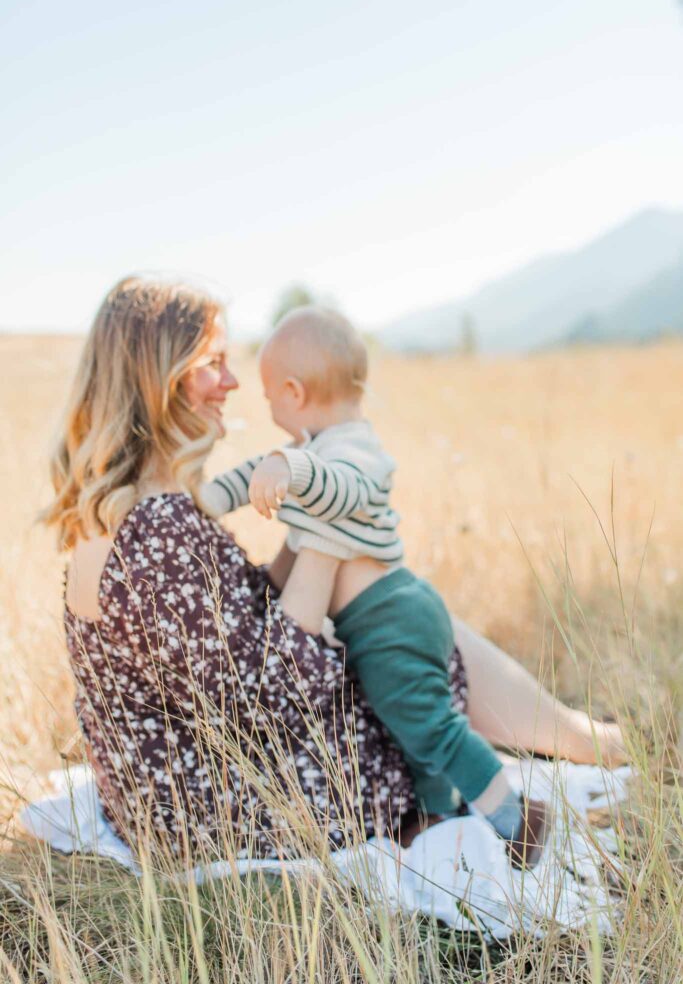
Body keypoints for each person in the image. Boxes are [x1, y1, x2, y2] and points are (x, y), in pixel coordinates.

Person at [42, 276, 623, 867]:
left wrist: (312, 540)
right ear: (161, 378)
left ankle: (580, 739)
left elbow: (230, 633)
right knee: (402, 634)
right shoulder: (156, 526)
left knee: (395, 614)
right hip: (222, 807)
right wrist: (328, 534)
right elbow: (272, 697)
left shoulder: (131, 508)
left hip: (184, 788)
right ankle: (581, 748)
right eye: (213, 363)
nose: (232, 382)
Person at [203, 308, 625, 864]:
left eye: (267, 396)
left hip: (390, 616)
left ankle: (518, 817)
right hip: (389, 612)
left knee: (431, 728)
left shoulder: (353, 448)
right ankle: (439, 811)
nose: (267, 409)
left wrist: (290, 466)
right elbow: (245, 476)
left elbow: (344, 488)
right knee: (407, 720)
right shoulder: (316, 442)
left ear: (294, 392)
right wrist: (194, 508)